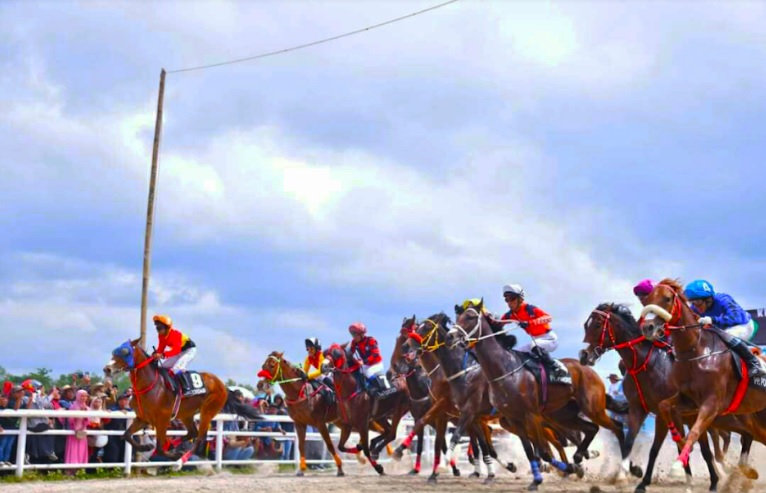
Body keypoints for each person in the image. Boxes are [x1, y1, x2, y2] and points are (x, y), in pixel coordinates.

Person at [684, 280, 764, 378]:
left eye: (698, 301)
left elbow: (736, 317)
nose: (695, 306)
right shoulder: (695, 308)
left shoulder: (723, 300)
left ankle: (753, 362)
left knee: (727, 335)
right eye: (692, 302)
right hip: (721, 330)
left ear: (708, 299)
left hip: (743, 325)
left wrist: (713, 320)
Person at [498, 284, 567, 379]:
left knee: (534, 346)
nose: (509, 303)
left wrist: (530, 323)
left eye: (512, 298)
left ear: (520, 299)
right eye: (507, 300)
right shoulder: (510, 314)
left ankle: (556, 366)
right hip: (535, 340)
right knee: (515, 353)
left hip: (549, 339)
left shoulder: (530, 309)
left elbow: (548, 317)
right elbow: (498, 323)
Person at [151, 314, 197, 394]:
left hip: (189, 350)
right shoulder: (161, 336)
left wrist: (161, 355)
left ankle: (187, 388)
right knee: (163, 367)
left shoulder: (175, 334)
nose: (158, 330)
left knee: (176, 368)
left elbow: (176, 350)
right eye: (157, 328)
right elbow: (161, 348)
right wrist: (156, 354)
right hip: (180, 352)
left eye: (160, 328)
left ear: (167, 328)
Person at [348, 322, 392, 398]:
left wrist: (364, 362)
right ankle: (365, 389)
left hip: (377, 364)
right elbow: (351, 352)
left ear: (361, 334)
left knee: (368, 372)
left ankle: (382, 390)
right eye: (352, 335)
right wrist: (354, 359)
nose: (353, 337)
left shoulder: (371, 340)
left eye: (355, 335)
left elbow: (376, 354)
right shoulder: (354, 343)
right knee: (359, 372)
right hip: (367, 364)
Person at [64, 390, 90, 474]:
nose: (84, 398)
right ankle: (71, 470)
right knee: (74, 450)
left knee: (81, 450)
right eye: (82, 396)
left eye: (85, 396)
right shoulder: (73, 406)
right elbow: (70, 420)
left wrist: (85, 413)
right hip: (73, 432)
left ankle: (80, 469)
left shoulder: (86, 407)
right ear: (78, 396)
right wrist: (78, 414)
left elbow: (88, 421)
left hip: (83, 431)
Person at [302, 338, 335, 402]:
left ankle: (335, 394)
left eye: (312, 349)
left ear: (317, 349)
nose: (309, 351)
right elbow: (305, 372)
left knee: (323, 378)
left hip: (330, 373)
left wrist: (308, 376)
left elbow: (320, 371)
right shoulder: (308, 358)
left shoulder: (321, 355)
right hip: (322, 374)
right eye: (308, 349)